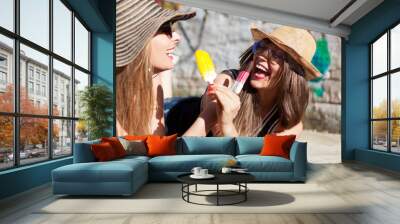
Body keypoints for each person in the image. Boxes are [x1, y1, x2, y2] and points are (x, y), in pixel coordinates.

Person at [180, 25, 321, 137]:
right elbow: (190, 142)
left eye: (278, 55)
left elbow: (257, 164)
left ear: (293, 74)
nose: (262, 55)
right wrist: (221, 116)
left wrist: (227, 123)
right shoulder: (226, 83)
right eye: (262, 46)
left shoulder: (290, 124)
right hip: (174, 123)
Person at [115, 0, 195, 135]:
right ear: (137, 42)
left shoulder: (152, 82)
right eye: (165, 30)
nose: (177, 37)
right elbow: (140, 152)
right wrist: (207, 118)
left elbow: (156, 146)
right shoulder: (108, 98)